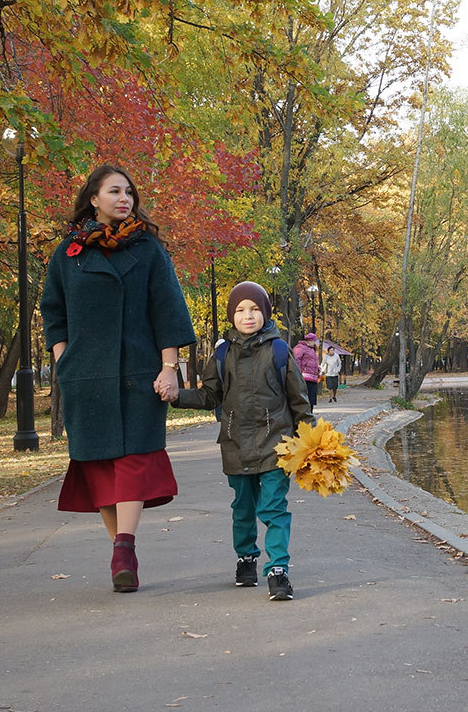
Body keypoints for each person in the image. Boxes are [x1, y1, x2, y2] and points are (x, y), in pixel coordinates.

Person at [40, 164, 195, 593]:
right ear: (94, 198)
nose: (124, 198)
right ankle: (119, 552)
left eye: (129, 191)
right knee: (100, 464)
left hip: (139, 372)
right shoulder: (69, 252)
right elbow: (53, 310)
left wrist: (170, 367)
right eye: (114, 191)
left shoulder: (147, 248)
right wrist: (62, 357)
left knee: (134, 459)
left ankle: (123, 546)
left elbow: (168, 309)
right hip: (85, 375)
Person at [165, 282, 313, 600]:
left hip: (277, 445)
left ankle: (278, 570)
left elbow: (299, 402)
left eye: (255, 309)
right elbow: (210, 395)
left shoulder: (279, 351)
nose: (248, 316)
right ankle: (246, 558)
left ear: (266, 313)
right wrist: (178, 396)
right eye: (241, 310)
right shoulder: (222, 353)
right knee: (243, 508)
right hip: (235, 444)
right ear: (232, 316)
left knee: (274, 508)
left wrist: (313, 442)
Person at [293, 332, 320, 408]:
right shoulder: (300, 348)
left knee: (311, 400)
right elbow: (296, 361)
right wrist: (299, 373)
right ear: (310, 340)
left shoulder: (311, 349)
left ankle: (310, 416)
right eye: (314, 341)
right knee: (306, 399)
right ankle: (305, 417)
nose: (314, 343)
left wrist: (317, 368)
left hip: (312, 377)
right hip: (305, 377)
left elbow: (311, 362)